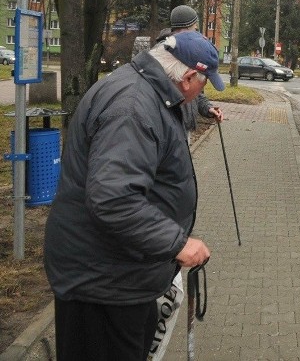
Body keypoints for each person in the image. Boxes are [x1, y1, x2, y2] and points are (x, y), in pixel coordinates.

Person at [44, 30, 224, 360]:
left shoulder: (149, 93)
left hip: (121, 273)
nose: (204, 91)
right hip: (102, 282)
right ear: (186, 78)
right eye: (205, 82)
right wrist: (177, 243)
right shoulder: (132, 107)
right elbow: (113, 198)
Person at [156, 5, 224, 131]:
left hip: (185, 126)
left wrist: (207, 108)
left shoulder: (193, 50)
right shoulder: (166, 52)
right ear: (190, 26)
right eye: (195, 26)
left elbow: (197, 93)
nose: (196, 30)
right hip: (170, 126)